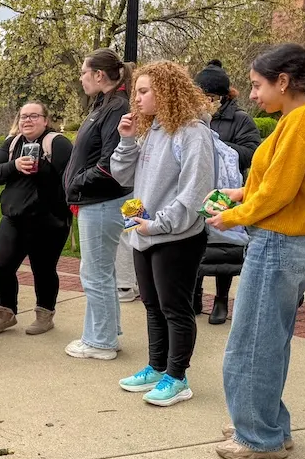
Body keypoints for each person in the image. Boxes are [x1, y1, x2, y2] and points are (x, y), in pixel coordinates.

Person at [207, 43, 305, 459]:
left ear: (283, 81)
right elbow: (287, 181)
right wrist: (242, 192)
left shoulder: (302, 121)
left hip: (280, 242)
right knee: (269, 340)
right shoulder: (303, 118)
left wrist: (236, 215)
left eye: (258, 85)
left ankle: (258, 436)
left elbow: (280, 192)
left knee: (253, 342)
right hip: (292, 241)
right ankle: (265, 423)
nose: (253, 95)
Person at [110, 61, 215, 406]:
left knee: (175, 307)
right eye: (136, 92)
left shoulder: (192, 132)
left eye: (143, 91)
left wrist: (157, 224)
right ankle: (157, 367)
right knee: (152, 304)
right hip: (144, 232)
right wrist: (126, 141)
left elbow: (195, 192)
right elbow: (126, 179)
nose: (136, 99)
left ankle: (177, 377)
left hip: (176, 236)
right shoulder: (151, 130)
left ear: (166, 91)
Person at [63, 49, 133, 359]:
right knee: (100, 271)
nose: (81, 78)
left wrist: (77, 181)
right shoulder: (105, 104)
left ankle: (101, 341)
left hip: (102, 202)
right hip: (95, 201)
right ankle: (104, 333)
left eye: (83, 73)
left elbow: (109, 163)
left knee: (95, 273)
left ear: (99, 75)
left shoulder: (116, 107)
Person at [0, 101, 73, 336]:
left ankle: (45, 316)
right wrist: (14, 165)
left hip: (48, 220)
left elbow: (70, 180)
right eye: (23, 116)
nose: (27, 121)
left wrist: (42, 168)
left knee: (43, 269)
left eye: (34, 116)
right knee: (1, 264)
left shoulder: (57, 143)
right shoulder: (13, 143)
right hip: (14, 217)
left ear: (45, 120)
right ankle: (6, 314)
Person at [193, 60, 262, 324]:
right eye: (202, 96)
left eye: (210, 97)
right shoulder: (193, 118)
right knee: (197, 242)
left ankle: (221, 299)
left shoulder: (240, 119)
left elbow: (252, 152)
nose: (206, 101)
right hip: (200, 188)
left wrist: (218, 146)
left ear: (222, 96)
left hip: (226, 191)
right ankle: (195, 293)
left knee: (224, 245)